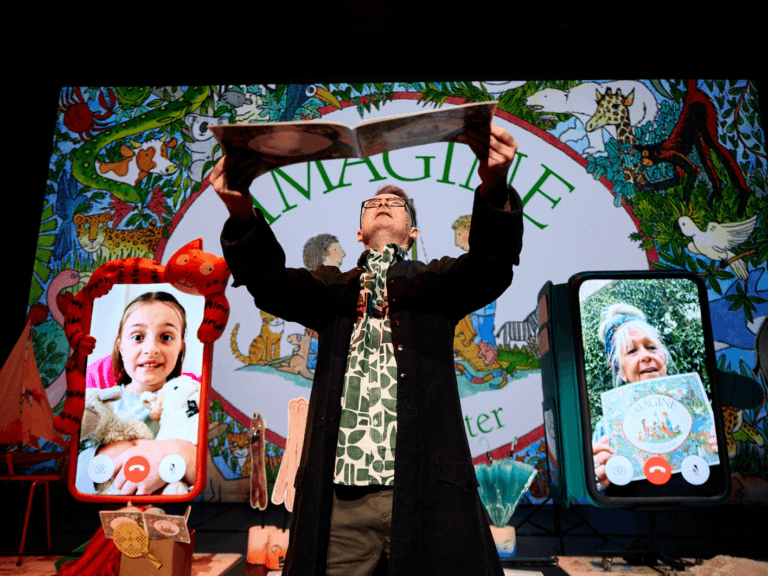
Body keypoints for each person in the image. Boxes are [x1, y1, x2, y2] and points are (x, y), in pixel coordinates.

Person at [213, 122, 523, 576]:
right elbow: (270, 282)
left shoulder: (435, 282)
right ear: (358, 233)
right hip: (341, 504)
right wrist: (240, 208)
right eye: (373, 203)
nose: (382, 204)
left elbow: (490, 267)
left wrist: (494, 184)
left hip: (425, 493)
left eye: (395, 204)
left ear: (412, 231)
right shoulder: (329, 289)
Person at [76, 292, 198, 495]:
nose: (151, 349)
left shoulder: (189, 400)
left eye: (166, 337)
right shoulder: (99, 403)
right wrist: (104, 454)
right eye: (137, 337)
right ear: (121, 347)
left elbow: (204, 470)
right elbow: (74, 473)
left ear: (180, 347)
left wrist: (172, 450)